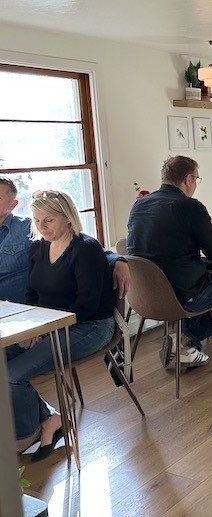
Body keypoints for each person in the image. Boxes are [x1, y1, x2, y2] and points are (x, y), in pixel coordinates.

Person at [6, 190, 115, 460]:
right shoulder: (39, 247)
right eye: (36, 220)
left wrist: (44, 330)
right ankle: (51, 419)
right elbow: (32, 293)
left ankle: (27, 433)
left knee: (11, 375)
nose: (41, 227)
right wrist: (35, 326)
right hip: (49, 325)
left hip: (90, 327)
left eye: (49, 220)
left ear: (67, 218)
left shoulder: (86, 249)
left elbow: (86, 306)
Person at [127, 155, 212, 368]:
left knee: (203, 279)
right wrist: (210, 228)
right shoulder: (190, 206)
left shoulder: (139, 206)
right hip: (184, 293)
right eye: (197, 180)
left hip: (145, 295)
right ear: (188, 179)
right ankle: (184, 340)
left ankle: (185, 345)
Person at [0, 177, 130, 304]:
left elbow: (84, 249)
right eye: (38, 220)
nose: (41, 224)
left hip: (23, 311)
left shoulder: (31, 228)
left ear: (13, 204)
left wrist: (118, 261)